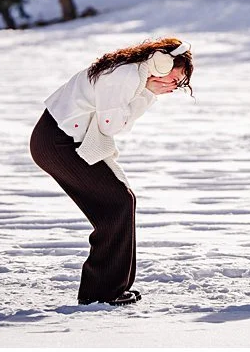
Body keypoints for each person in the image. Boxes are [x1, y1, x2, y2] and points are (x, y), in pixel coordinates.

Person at [30, 37, 194, 305]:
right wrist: (148, 93)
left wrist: (145, 89)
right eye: (175, 79)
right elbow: (110, 126)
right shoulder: (127, 76)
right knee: (118, 202)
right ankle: (102, 293)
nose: (173, 86)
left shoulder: (133, 73)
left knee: (118, 203)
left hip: (62, 140)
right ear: (162, 63)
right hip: (58, 142)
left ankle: (109, 290)